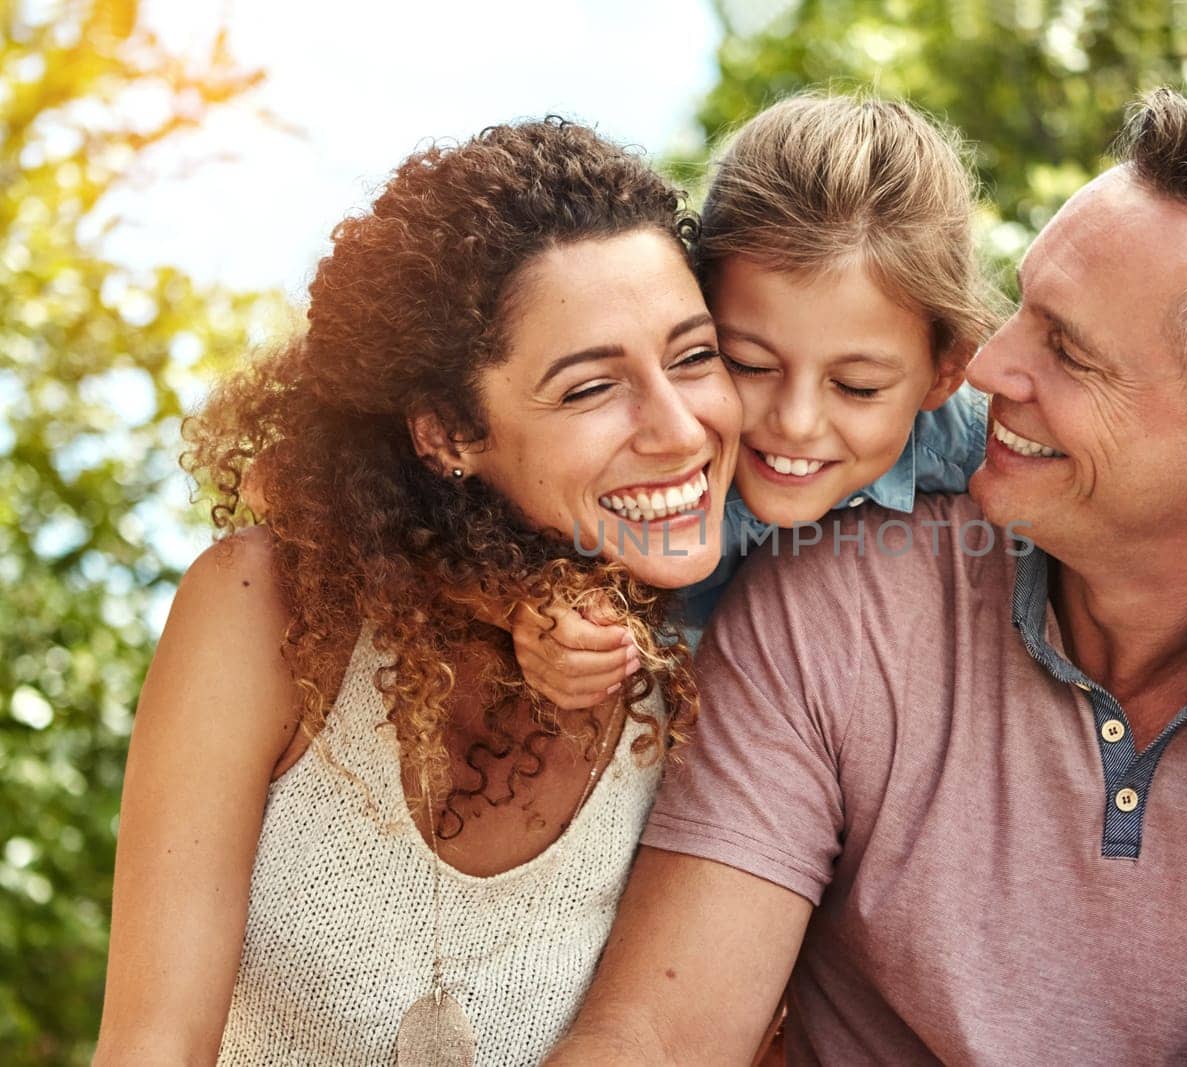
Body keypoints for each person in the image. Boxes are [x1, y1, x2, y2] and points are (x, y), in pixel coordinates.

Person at [546, 90, 1187, 1065]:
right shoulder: (837, 595)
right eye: (1023, 311)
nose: (993, 365)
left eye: (1067, 351)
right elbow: (662, 1035)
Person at [519, 91, 1187, 794]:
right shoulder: (655, 451)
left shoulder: (961, 436)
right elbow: (473, 518)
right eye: (745, 362)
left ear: (945, 370)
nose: (792, 422)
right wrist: (528, 610)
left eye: (857, 387)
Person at [94, 119, 742, 1065]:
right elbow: (151, 1045)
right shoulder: (269, 609)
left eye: (694, 356)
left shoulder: (724, 657)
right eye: (590, 388)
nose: (682, 430)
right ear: (447, 432)